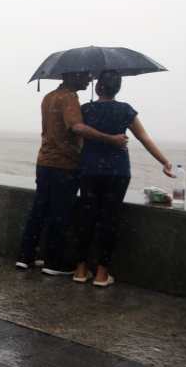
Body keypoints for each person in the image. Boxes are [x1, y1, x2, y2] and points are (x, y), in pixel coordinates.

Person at [16, 71, 128, 275]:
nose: (89, 80)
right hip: (65, 165)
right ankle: (53, 263)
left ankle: (26, 256)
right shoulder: (69, 97)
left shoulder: (49, 96)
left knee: (39, 210)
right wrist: (110, 138)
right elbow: (76, 127)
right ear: (72, 76)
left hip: (44, 162)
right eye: (85, 76)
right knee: (60, 213)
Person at [73, 71, 173, 287]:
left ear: (98, 87)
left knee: (86, 217)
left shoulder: (86, 109)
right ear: (117, 88)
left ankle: (80, 270)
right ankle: (101, 274)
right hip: (117, 171)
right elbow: (143, 137)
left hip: (89, 169)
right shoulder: (125, 110)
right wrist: (164, 162)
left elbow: (78, 138)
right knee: (109, 219)